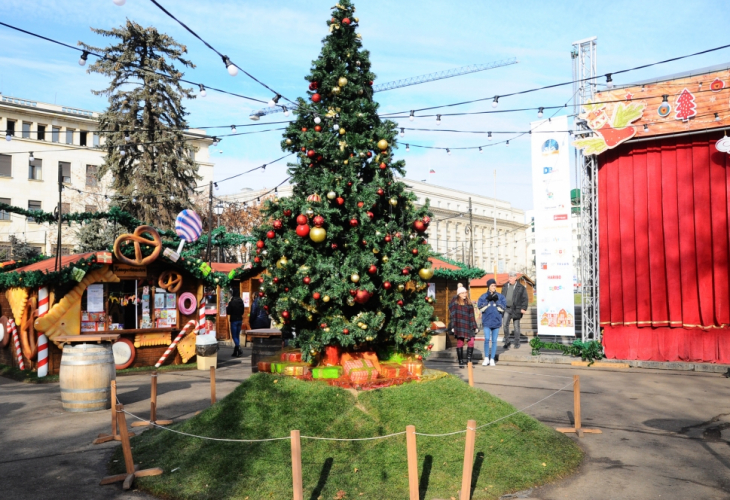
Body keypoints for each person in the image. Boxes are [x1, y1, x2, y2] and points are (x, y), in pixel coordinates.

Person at [448, 283, 479, 368]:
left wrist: (475, 326)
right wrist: (453, 326)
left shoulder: (469, 303)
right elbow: (453, 314)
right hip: (459, 325)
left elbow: (472, 315)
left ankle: (469, 361)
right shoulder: (455, 302)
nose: (464, 294)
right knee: (460, 342)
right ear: (459, 294)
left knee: (471, 342)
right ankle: (461, 362)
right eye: (462, 293)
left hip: (469, 325)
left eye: (465, 293)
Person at [477, 278, 506, 366]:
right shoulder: (483, 296)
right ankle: (486, 358)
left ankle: (492, 358)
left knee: (494, 341)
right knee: (486, 339)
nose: (494, 287)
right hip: (486, 321)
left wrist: (497, 301)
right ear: (489, 286)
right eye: (492, 285)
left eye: (494, 285)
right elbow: (480, 307)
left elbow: (503, 308)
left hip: (496, 321)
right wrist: (487, 300)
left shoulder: (500, 296)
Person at [502, 271, 528, 349]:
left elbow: (525, 299)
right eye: (509, 277)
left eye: (511, 278)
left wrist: (523, 308)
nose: (509, 279)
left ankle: (517, 342)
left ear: (515, 278)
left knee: (516, 326)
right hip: (507, 308)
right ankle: (507, 342)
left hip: (517, 309)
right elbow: (502, 297)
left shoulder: (521, 287)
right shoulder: (505, 286)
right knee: (505, 325)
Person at [226, 289, 245, 357]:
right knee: (237, 335)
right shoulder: (241, 302)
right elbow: (243, 312)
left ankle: (238, 347)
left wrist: (228, 304)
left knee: (234, 336)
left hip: (234, 320)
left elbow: (228, 312)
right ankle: (236, 352)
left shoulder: (232, 302)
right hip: (240, 320)